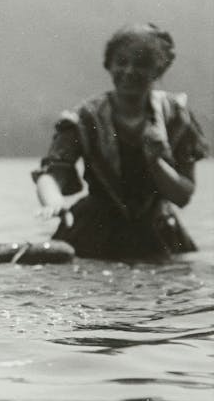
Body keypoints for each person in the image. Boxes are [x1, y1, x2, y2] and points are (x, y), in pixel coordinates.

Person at [32, 23, 209, 259]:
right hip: (94, 228)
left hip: (156, 229)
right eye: (122, 62)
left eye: (141, 64)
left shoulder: (175, 116)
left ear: (158, 69)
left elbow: (183, 195)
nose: (129, 71)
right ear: (109, 64)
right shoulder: (85, 117)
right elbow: (52, 174)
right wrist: (54, 202)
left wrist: (156, 161)